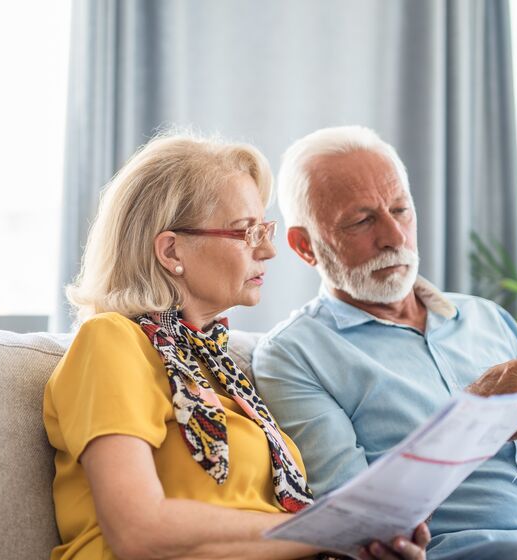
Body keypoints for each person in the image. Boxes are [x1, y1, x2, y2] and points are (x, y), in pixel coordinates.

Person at [44, 133, 430, 560]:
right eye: (247, 232)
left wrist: (367, 542)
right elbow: (139, 531)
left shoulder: (220, 370)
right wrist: (338, 530)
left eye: (264, 230)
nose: (267, 250)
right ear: (171, 250)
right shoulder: (113, 342)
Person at [254, 126, 517, 560]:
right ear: (304, 247)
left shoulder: (485, 317)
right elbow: (351, 519)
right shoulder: (293, 355)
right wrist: (474, 414)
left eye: (401, 209)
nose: (394, 236)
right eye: (362, 220)